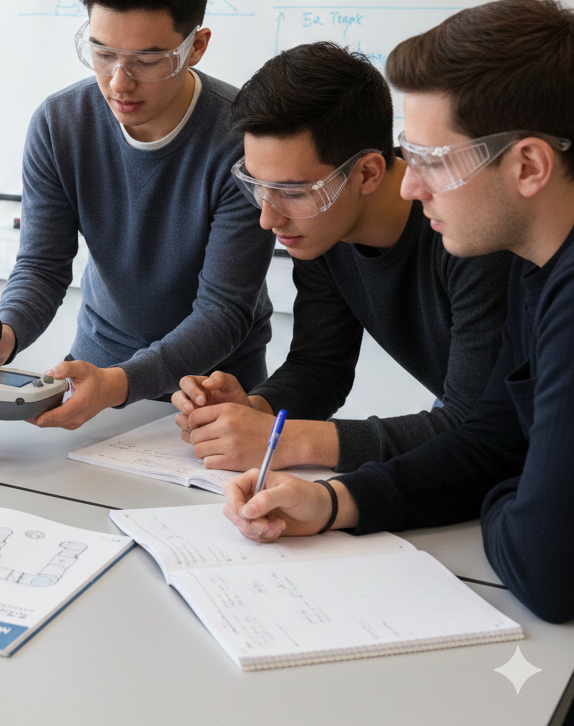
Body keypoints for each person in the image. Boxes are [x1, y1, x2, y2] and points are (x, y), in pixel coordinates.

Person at [224, 0, 574, 624]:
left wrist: (505, 490)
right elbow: (492, 438)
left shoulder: (544, 281)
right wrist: (333, 503)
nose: (410, 184)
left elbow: (546, 567)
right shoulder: (535, 267)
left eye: (434, 162)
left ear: (528, 166)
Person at [0, 0, 274, 428]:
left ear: (195, 46)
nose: (118, 81)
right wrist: (4, 333)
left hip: (212, 393)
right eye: (102, 52)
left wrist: (122, 383)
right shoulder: (59, 124)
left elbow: (223, 311)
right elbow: (42, 268)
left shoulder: (243, 139)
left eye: (147, 60)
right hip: (96, 373)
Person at [171, 42, 513, 471]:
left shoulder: (467, 231)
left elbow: (473, 427)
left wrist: (286, 442)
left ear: (368, 172)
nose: (268, 218)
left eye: (292, 192)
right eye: (258, 186)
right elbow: (320, 366)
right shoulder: (320, 223)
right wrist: (256, 409)